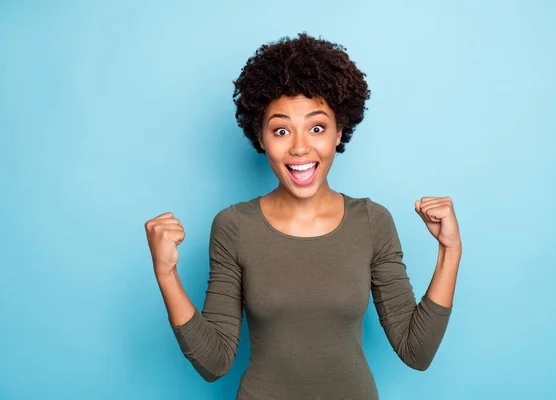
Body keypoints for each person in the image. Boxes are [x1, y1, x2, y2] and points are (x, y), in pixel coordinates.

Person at [144, 32, 462, 400]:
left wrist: (449, 250)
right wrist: (165, 274)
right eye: (281, 130)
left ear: (339, 131)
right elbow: (214, 362)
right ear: (260, 137)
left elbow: (416, 350)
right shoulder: (234, 226)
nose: (299, 147)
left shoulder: (372, 222)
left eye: (317, 127)